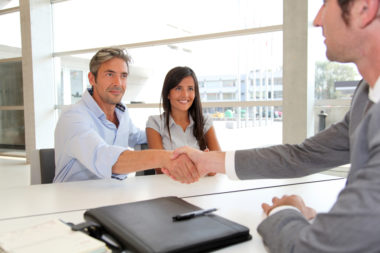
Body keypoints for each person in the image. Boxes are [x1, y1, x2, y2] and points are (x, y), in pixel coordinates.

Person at [172, 0, 380, 251]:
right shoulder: (364, 95)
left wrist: (287, 208)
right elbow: (302, 155)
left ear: (365, 8)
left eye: (325, 4)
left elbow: (312, 248)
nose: (317, 20)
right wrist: (209, 160)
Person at [54, 48, 199, 184]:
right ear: (92, 79)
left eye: (123, 76)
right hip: (74, 200)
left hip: (115, 194)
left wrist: (185, 136)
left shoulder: (121, 113)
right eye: (109, 74)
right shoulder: (73, 116)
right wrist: (165, 159)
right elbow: (104, 157)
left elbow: (138, 137)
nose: (118, 83)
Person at [146, 66, 221, 175]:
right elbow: (159, 167)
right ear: (168, 93)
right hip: (167, 187)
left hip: (202, 187)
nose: (185, 95)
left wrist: (174, 163)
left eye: (190, 88)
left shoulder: (205, 121)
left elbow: (218, 164)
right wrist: (202, 161)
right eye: (178, 88)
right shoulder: (155, 123)